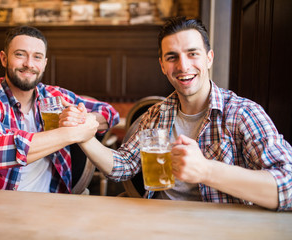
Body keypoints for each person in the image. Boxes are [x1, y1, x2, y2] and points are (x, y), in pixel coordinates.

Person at [64, 17, 292, 211]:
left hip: (221, 229)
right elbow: (123, 166)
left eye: (192, 54)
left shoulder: (242, 113)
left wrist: (207, 170)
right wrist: (84, 137)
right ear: (163, 65)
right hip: (161, 223)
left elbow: (288, 185)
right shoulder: (155, 115)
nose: (183, 66)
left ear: (209, 58)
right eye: (172, 57)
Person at [0, 25, 119, 193]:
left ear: (44, 64)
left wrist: (83, 118)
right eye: (20, 54)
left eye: (37, 57)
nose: (29, 64)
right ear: (4, 58)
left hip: (51, 203)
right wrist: (71, 134)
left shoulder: (55, 95)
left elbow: (109, 113)